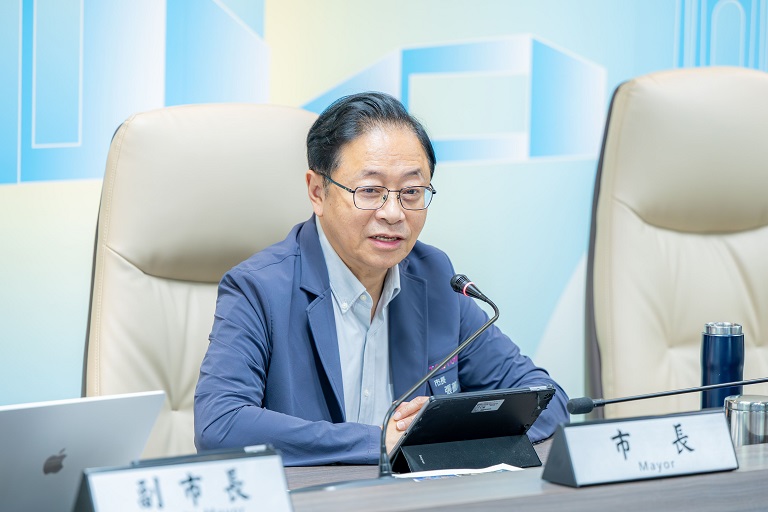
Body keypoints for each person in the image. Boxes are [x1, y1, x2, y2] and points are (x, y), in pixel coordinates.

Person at [194, 91, 569, 465]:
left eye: (411, 192)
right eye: (370, 191)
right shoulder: (259, 288)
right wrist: (379, 442)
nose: (393, 213)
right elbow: (219, 425)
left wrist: (435, 435)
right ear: (317, 191)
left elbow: (545, 399)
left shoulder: (435, 278)